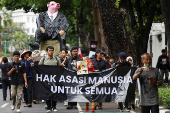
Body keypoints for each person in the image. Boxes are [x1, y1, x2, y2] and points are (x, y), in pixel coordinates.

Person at [39, 46, 61, 113]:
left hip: (55, 79)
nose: (51, 52)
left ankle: (54, 106)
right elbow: (39, 68)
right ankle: (48, 107)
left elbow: (60, 68)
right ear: (47, 51)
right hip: (46, 79)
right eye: (49, 50)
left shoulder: (57, 59)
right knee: (47, 93)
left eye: (52, 50)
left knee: (54, 93)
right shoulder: (43, 59)